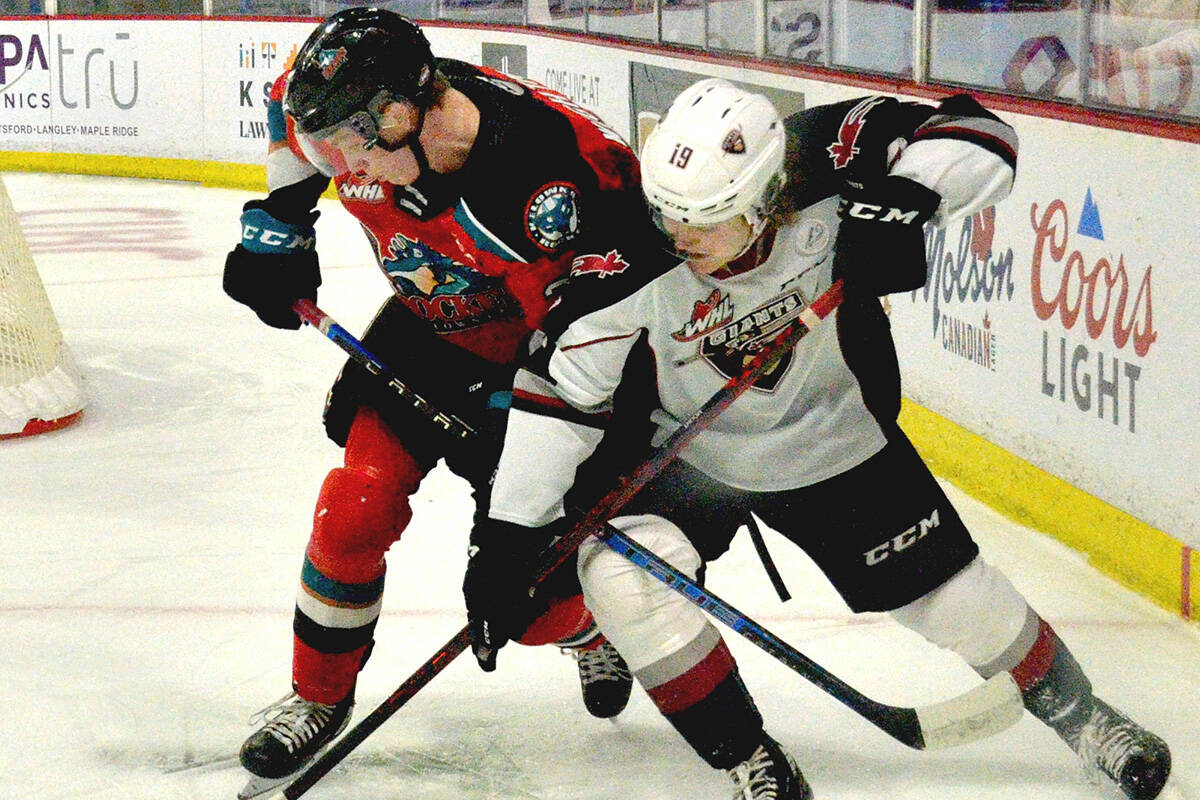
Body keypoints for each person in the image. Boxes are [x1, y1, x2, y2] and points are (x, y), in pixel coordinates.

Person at [465, 78, 1173, 800]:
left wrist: (907, 199)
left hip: (833, 436)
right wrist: (507, 536)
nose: (678, 239)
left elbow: (985, 135)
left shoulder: (829, 158)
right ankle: (751, 760)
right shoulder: (626, 258)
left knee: (961, 604)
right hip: (685, 454)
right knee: (624, 579)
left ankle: (1089, 723)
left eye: (705, 221)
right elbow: (559, 392)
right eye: (666, 213)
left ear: (765, 198)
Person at [222, 8, 674, 798]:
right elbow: (283, 110)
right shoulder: (354, 113)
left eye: (347, 149)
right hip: (428, 332)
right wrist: (280, 224)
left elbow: (583, 342)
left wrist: (516, 458)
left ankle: (593, 624)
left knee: (529, 606)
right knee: (352, 507)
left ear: (400, 116)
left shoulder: (540, 180)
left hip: (556, 366)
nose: (337, 165)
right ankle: (317, 695)